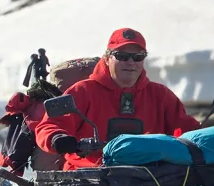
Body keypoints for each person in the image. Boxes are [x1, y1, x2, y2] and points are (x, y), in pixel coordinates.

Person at [35, 28, 200, 170]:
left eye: (138, 57)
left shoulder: (161, 95)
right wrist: (58, 139)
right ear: (107, 58)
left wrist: (204, 140)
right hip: (86, 179)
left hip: (149, 178)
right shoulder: (83, 91)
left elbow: (187, 131)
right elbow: (49, 125)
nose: (130, 62)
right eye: (122, 55)